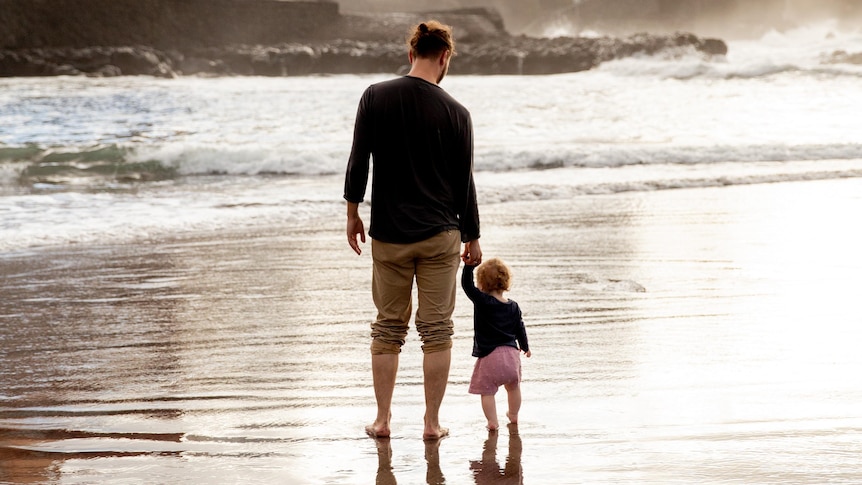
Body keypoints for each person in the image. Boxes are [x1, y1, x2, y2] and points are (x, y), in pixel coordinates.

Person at [344, 20, 482, 441]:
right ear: (444, 57)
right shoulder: (458, 113)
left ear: (411, 54)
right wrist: (473, 237)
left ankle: (383, 420)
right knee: (437, 331)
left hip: (389, 235)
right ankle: (431, 423)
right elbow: (465, 182)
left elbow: (358, 160)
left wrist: (352, 213)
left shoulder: (375, 96)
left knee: (388, 327)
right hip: (441, 234)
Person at [461, 258, 530, 431]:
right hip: (511, 356)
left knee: (487, 392)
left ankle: (492, 421)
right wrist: (526, 346)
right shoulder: (513, 306)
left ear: (482, 284)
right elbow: (519, 327)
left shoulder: (483, 301)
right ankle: (513, 415)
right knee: (513, 388)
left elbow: (467, 286)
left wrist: (468, 267)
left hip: (490, 356)